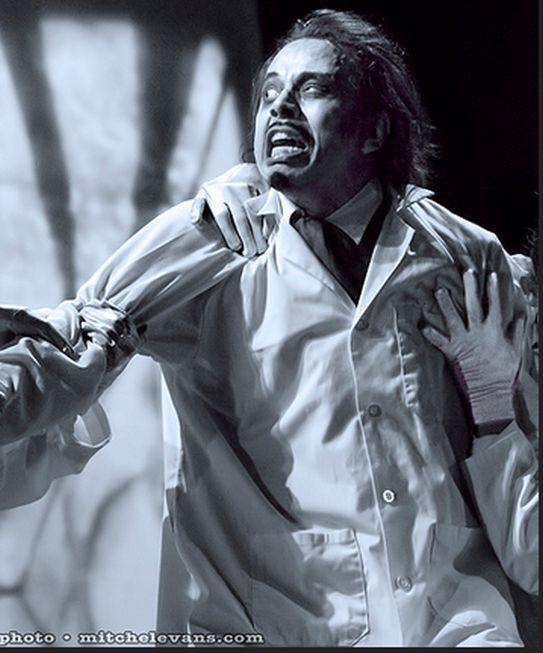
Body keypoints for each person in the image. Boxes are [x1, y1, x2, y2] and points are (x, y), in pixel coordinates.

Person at [0, 9, 538, 647]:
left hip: (457, 626)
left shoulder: (465, 258)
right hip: (270, 623)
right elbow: (72, 347)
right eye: (269, 93)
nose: (280, 106)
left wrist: (494, 397)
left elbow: (522, 499)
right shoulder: (210, 239)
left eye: (312, 89)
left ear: (374, 131)